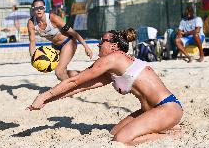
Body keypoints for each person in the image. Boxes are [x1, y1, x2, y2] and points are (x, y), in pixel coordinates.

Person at [26, 29, 183, 145]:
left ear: (114, 46)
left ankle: (170, 136)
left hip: (167, 108)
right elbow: (79, 87)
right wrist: (48, 101)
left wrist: (43, 95)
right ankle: (164, 127)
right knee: (114, 132)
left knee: (121, 139)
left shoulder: (114, 58)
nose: (99, 44)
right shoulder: (114, 69)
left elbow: (75, 81)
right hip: (151, 110)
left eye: (103, 41)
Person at [27, 0, 93, 80]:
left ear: (45, 8)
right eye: (36, 8)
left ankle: (68, 90)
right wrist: (34, 59)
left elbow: (73, 32)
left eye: (41, 7)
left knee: (59, 72)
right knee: (60, 71)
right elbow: (32, 42)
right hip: (55, 46)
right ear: (33, 9)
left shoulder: (53, 18)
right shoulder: (31, 23)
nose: (39, 10)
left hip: (68, 42)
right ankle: (85, 75)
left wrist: (86, 47)